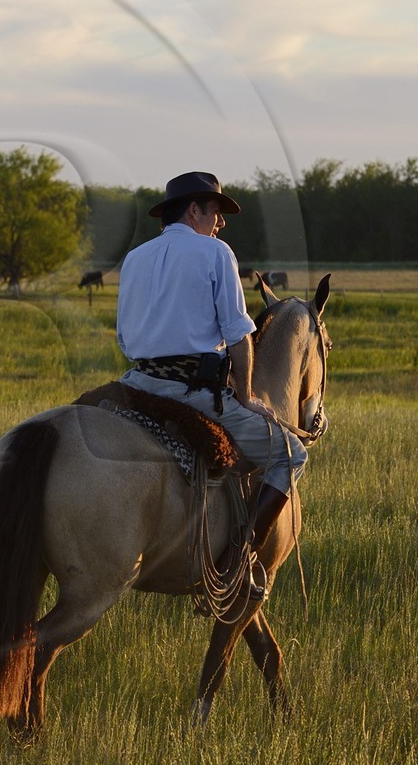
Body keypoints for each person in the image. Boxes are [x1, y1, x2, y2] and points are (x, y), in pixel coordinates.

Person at [115, 171, 304, 596]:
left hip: (136, 385)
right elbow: (239, 334)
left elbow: (124, 338)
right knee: (290, 454)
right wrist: (248, 395)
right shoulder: (215, 253)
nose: (221, 223)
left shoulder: (135, 258)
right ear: (195, 209)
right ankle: (242, 560)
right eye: (216, 211)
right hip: (192, 394)